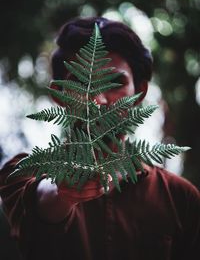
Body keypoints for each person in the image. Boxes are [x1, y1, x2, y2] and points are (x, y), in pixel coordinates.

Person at [0, 17, 199, 260]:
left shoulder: (182, 199)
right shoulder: (20, 172)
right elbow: (42, 198)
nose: (98, 100)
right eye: (82, 83)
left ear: (139, 93)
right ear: (59, 96)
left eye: (115, 82)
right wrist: (62, 189)